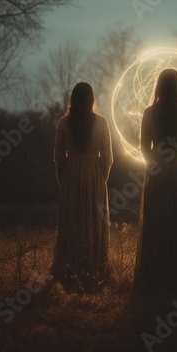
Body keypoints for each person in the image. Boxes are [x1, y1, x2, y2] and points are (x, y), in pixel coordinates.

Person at [133, 69, 177, 295]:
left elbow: (144, 146)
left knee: (158, 218)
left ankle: (157, 274)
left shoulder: (149, 113)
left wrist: (155, 161)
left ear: (158, 87)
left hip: (157, 169)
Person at [51, 82, 113, 292]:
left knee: (73, 217)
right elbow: (108, 157)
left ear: (73, 100)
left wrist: (64, 177)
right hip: (94, 173)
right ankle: (94, 265)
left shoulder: (62, 124)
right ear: (92, 99)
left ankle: (70, 267)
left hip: (71, 173)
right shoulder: (102, 123)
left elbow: (58, 156)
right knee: (93, 218)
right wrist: (101, 176)